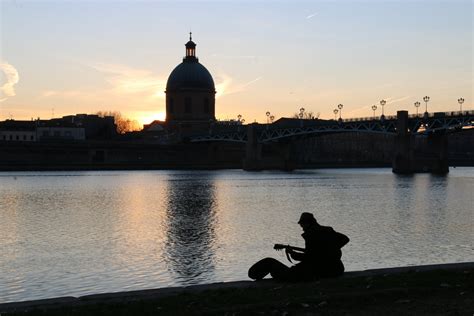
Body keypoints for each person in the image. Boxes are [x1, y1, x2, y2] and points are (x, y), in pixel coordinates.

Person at [248, 212, 350, 282]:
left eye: (302, 225)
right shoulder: (328, 230)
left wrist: (292, 254)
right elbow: (345, 239)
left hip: (313, 272)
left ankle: (254, 277)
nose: (302, 228)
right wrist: (331, 249)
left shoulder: (311, 235)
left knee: (269, 262)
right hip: (336, 269)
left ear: (308, 223)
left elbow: (309, 258)